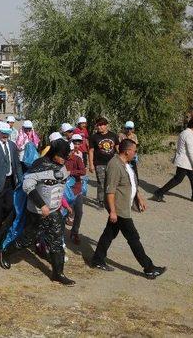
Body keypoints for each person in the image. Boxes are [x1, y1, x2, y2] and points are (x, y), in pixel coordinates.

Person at [91, 139, 167, 279]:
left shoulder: (126, 164)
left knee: (109, 233)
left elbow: (130, 183)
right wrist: (113, 211)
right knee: (133, 238)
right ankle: (149, 268)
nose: (135, 153)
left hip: (124, 206)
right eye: (134, 151)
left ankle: (97, 259)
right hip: (120, 209)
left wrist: (138, 197)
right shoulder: (114, 165)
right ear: (127, 151)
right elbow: (110, 191)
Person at [17, 138, 76, 285]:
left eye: (65, 157)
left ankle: (58, 273)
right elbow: (27, 186)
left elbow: (60, 187)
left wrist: (65, 205)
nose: (63, 160)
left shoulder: (61, 166)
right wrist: (42, 205)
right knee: (28, 239)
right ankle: (4, 252)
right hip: (37, 212)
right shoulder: (39, 165)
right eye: (61, 156)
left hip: (54, 211)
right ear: (53, 153)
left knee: (56, 241)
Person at [153, 118, 193, 203]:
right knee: (177, 179)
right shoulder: (189, 135)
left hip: (185, 162)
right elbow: (191, 152)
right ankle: (159, 192)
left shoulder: (184, 132)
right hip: (186, 162)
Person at [88, 117, 119, 207]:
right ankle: (101, 201)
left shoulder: (113, 135)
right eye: (98, 125)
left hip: (112, 163)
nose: (99, 127)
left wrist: (123, 159)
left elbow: (117, 148)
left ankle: (111, 200)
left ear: (107, 126)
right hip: (99, 163)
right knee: (101, 183)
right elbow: (91, 151)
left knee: (112, 182)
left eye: (102, 125)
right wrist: (91, 164)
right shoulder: (94, 137)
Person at [66, 134, 86, 245]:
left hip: (76, 190)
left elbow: (83, 171)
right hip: (65, 191)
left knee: (79, 212)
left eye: (71, 151)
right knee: (64, 212)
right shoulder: (62, 159)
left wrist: (71, 173)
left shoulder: (77, 158)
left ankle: (75, 232)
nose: (69, 154)